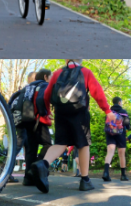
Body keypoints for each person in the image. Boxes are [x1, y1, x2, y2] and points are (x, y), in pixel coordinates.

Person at [30, 60, 116, 193]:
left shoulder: (58, 73)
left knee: (60, 143)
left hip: (60, 112)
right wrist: (107, 111)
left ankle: (43, 164)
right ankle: (85, 180)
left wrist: (47, 112)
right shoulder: (85, 72)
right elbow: (97, 92)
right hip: (79, 113)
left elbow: (46, 94)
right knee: (83, 144)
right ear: (80, 59)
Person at [102, 96, 131, 182]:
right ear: (119, 102)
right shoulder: (123, 112)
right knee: (121, 155)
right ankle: (123, 175)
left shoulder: (109, 112)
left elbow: (106, 123)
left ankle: (106, 173)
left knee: (110, 153)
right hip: (120, 134)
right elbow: (127, 125)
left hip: (109, 133)